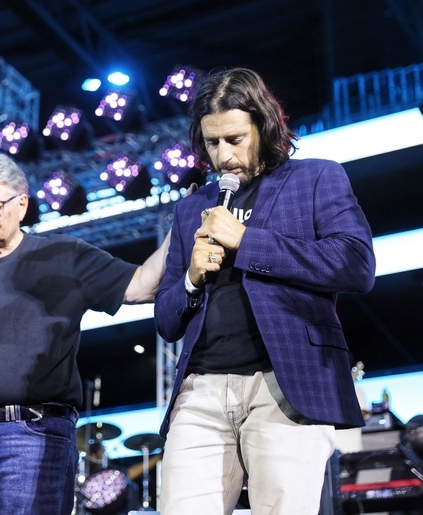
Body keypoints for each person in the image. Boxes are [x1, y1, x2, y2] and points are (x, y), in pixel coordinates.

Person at [0, 151, 170, 515]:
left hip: (32, 436)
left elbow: (141, 286)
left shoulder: (63, 255)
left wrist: (180, 230)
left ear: (21, 203)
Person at [153, 67, 376, 514]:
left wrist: (246, 241)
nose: (223, 155)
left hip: (285, 384)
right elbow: (166, 320)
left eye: (235, 139)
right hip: (201, 392)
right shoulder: (191, 209)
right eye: (212, 143)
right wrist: (191, 279)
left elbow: (356, 265)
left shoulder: (315, 178)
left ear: (264, 125)